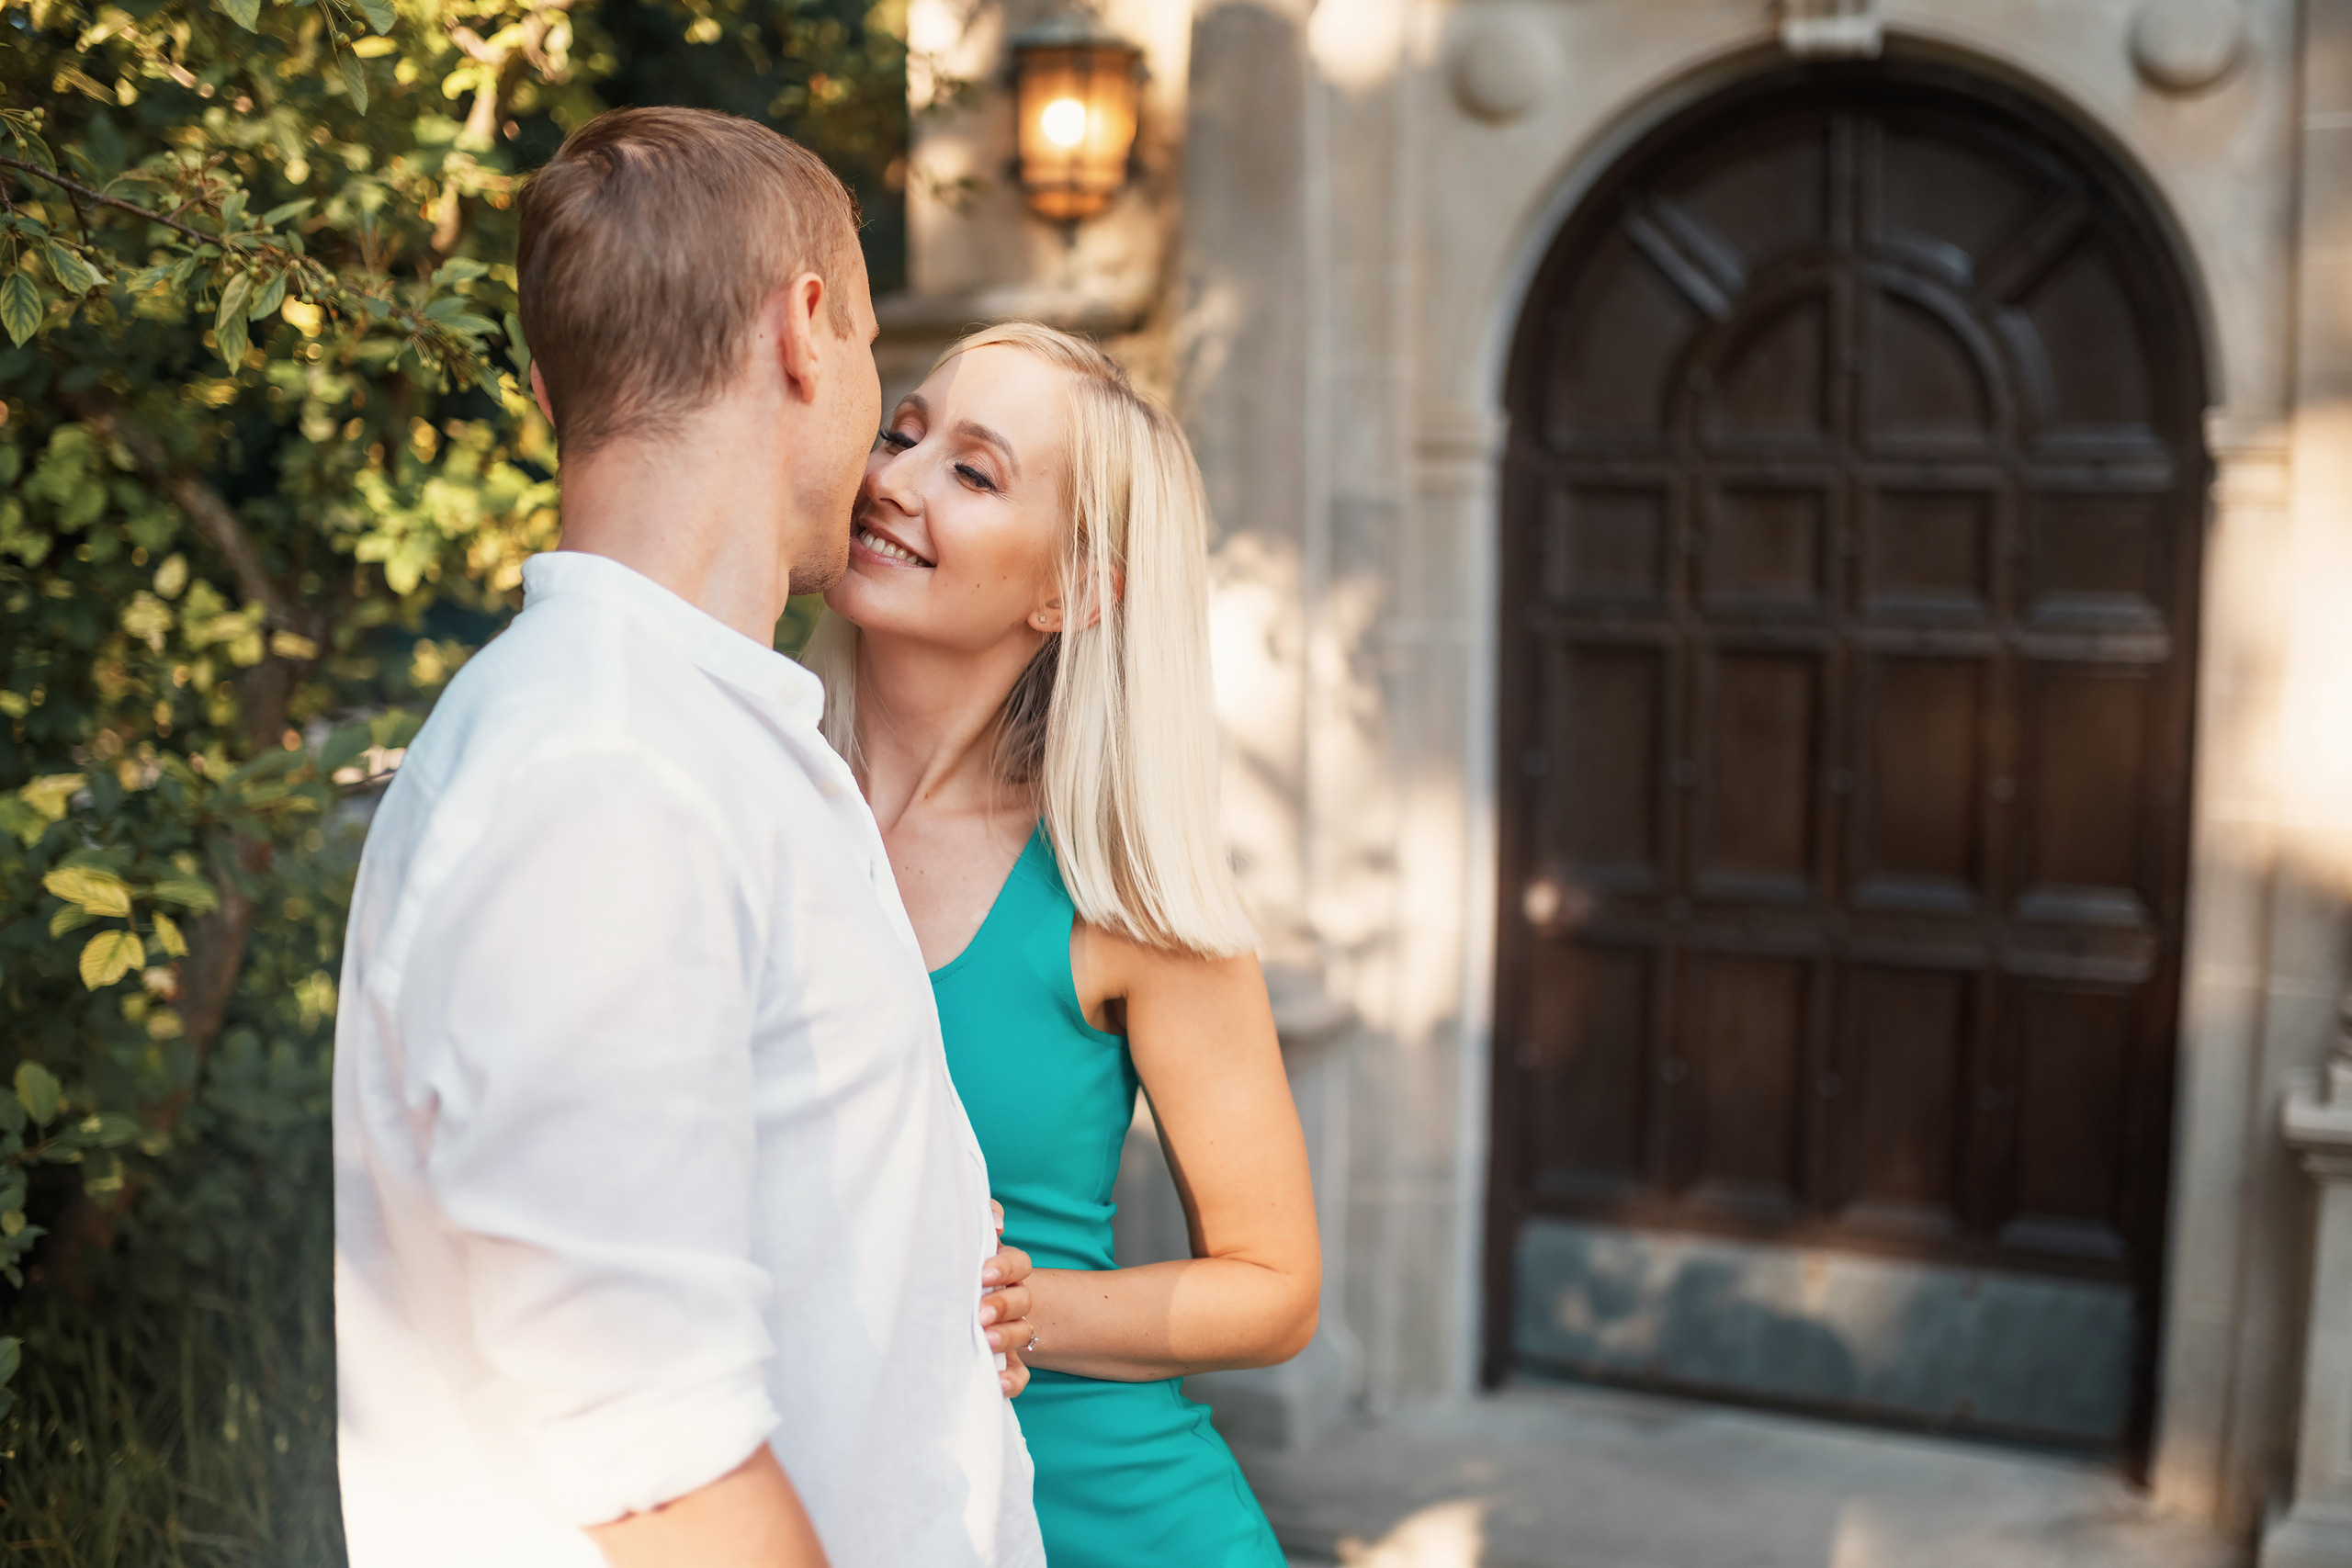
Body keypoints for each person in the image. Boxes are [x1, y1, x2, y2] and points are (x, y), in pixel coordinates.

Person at [331, 108, 1046, 1568]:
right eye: (873, 361)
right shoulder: (601, 774)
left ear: (546, 386)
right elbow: (658, 1466)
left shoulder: (711, 738)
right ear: (804, 332)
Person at [802, 321, 1322, 1567]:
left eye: (973, 475)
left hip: (1114, 1523)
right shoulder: (758, 805)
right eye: (905, 432)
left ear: (1074, 589)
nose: (894, 480)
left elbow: (1275, 1282)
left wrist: (1023, 1309)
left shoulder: (1118, 895)